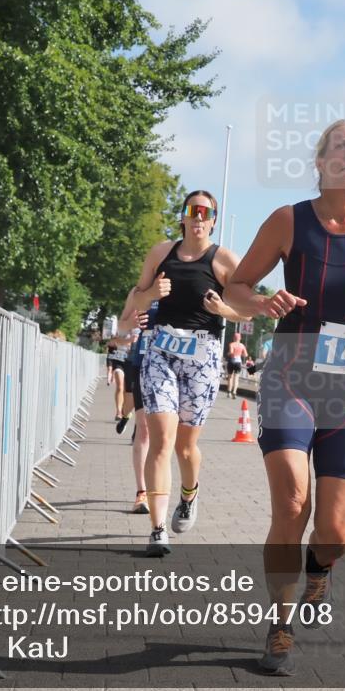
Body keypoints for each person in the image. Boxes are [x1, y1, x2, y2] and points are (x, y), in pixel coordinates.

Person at [224, 119, 345, 676]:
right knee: (290, 504)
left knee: (336, 532)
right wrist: (262, 301)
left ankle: (320, 567)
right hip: (290, 377)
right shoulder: (289, 220)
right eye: (339, 146)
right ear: (321, 161)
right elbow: (238, 286)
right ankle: (280, 625)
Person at [129, 189, 250, 556]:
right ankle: (157, 529)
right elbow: (135, 298)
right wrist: (151, 292)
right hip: (161, 352)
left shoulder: (224, 260)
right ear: (182, 216)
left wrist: (223, 309)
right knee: (161, 440)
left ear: (213, 220)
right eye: (192, 210)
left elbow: (248, 312)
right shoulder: (160, 253)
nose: (198, 218)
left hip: (203, 358)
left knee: (185, 447)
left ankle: (189, 494)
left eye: (206, 212)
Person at [113, 290, 158, 514]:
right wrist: (129, 323)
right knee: (145, 431)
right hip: (143, 364)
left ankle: (167, 487)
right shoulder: (141, 291)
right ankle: (142, 492)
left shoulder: (189, 281)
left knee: (169, 437)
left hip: (178, 369)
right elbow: (121, 327)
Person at [225, 332, 249, 399]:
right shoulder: (242, 345)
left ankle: (229, 392)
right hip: (238, 362)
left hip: (231, 361)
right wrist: (240, 354)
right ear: (240, 338)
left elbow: (231, 352)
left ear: (233, 338)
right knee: (236, 378)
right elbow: (246, 355)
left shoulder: (232, 344)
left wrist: (228, 354)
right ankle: (234, 392)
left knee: (230, 377)